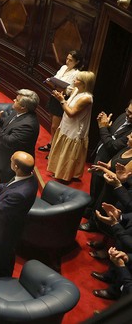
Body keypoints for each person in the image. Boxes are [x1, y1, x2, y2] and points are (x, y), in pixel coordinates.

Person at [0, 151, 38, 278]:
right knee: (5, 261)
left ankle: (0, 288)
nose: (9, 160)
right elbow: (9, 186)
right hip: (12, 224)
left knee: (0, 266)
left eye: (11, 160)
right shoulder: (29, 177)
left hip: (3, 233)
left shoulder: (19, 194)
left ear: (16, 167)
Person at [81, 100, 132, 230]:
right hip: (104, 160)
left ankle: (94, 223)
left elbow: (112, 146)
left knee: (101, 198)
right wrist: (107, 128)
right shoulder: (122, 116)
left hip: (113, 168)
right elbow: (112, 138)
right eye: (128, 111)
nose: (129, 116)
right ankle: (88, 212)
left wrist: (102, 127)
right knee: (94, 191)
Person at [0, 89, 40, 182]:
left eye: (17, 100)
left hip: (9, 165)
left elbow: (9, 141)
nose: (14, 100)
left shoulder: (28, 125)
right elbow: (8, 125)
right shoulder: (19, 112)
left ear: (23, 107)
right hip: (0, 156)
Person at [48, 71, 95, 181]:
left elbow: (71, 113)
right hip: (66, 125)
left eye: (77, 79)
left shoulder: (86, 98)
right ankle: (58, 171)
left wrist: (61, 100)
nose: (74, 80)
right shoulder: (76, 90)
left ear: (84, 83)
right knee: (62, 149)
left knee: (69, 152)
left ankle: (65, 175)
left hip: (75, 128)